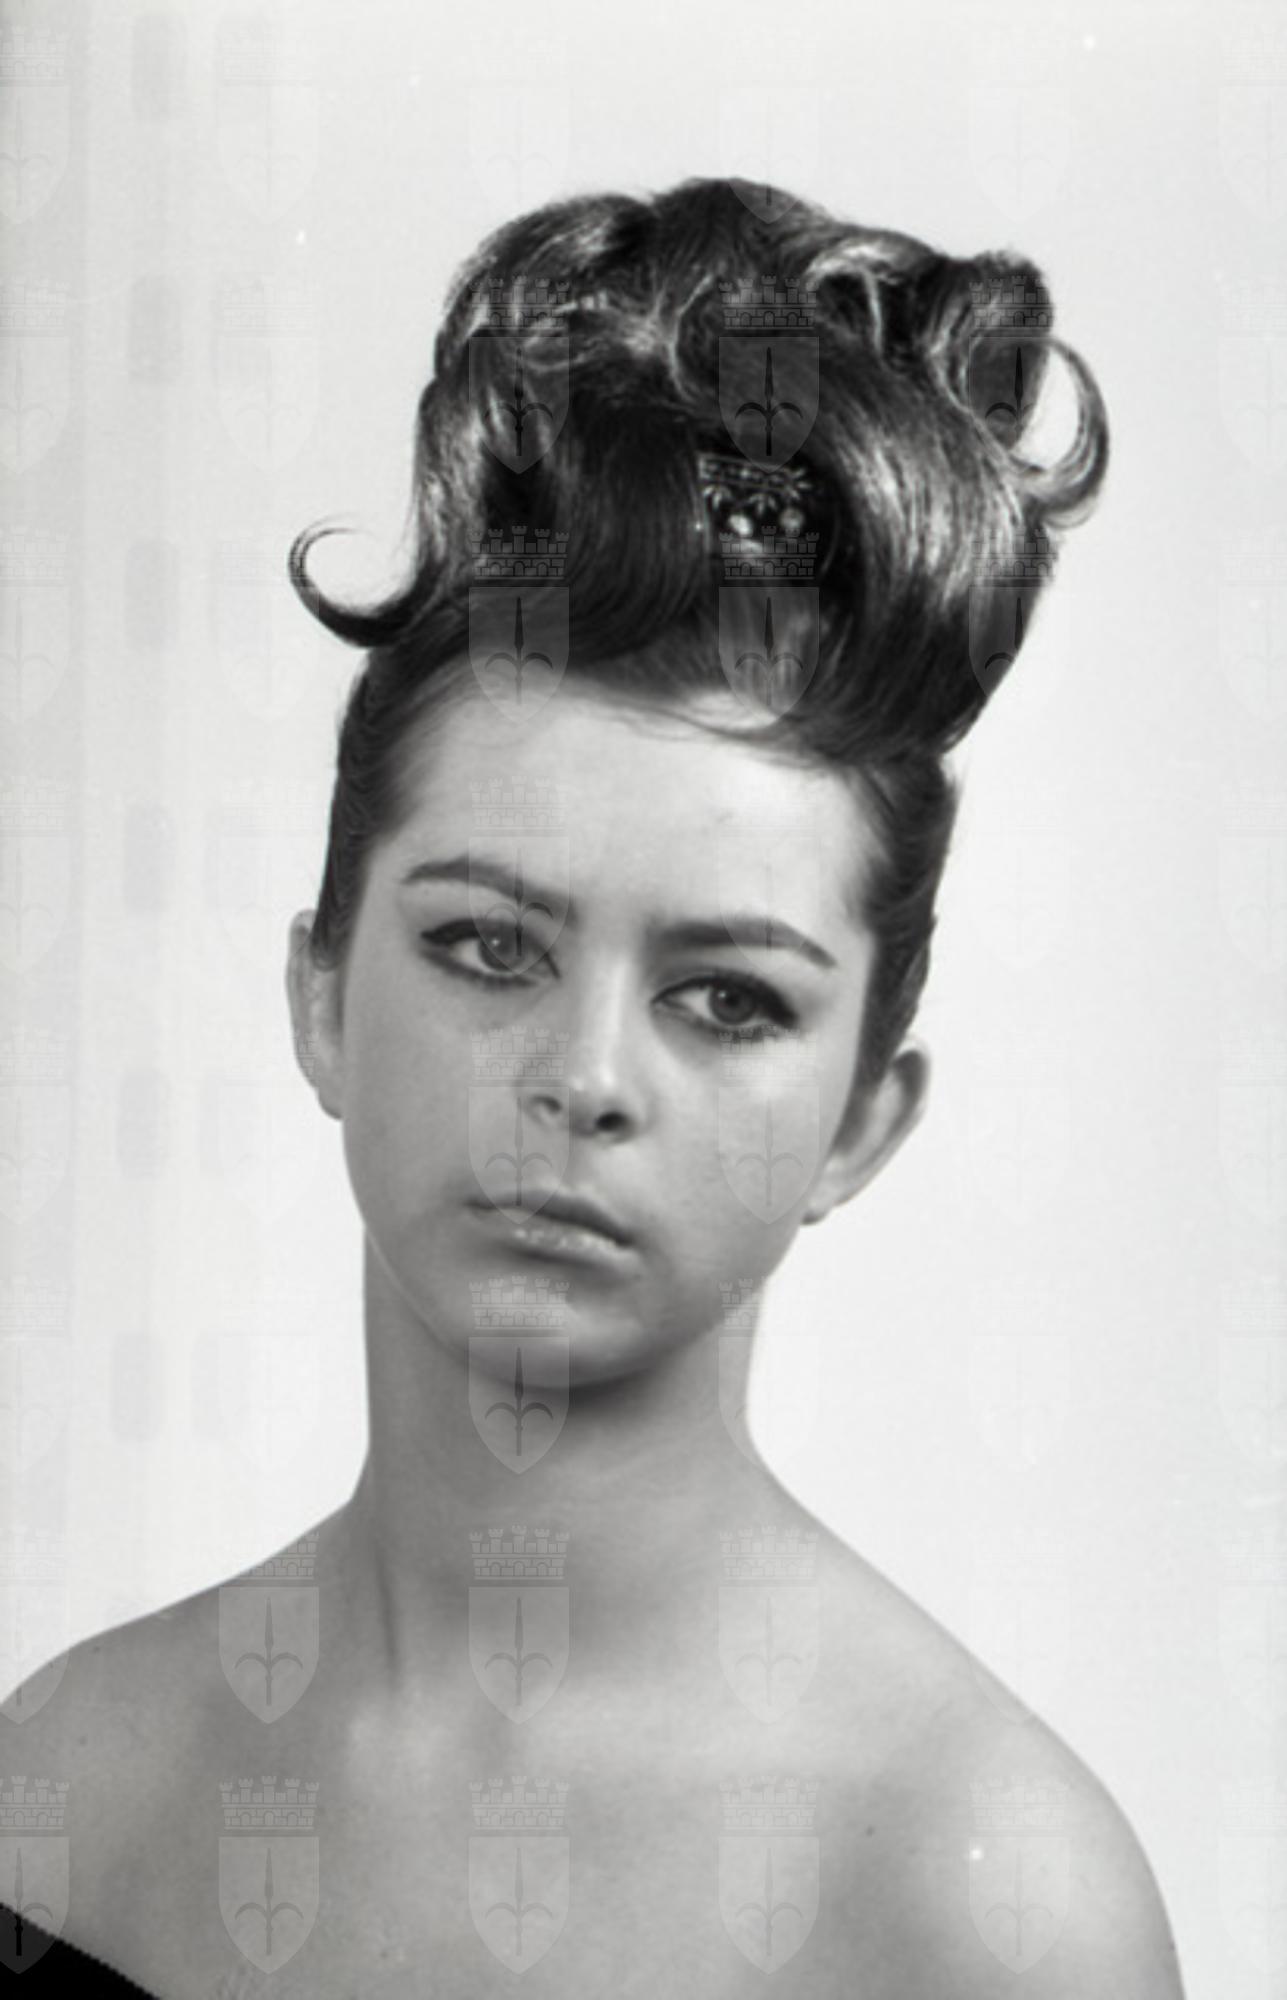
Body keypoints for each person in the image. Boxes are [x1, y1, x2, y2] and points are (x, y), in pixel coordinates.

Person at [0, 176, 1186, 1997]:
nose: (580, 1078)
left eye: (727, 999)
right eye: (490, 947)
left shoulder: (985, 1906)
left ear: (864, 1117)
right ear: (321, 991)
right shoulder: (72, 1776)